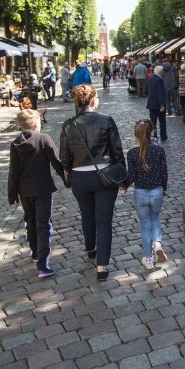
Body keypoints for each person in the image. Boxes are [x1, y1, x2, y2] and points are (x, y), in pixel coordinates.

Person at [60, 84, 127, 281]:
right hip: (104, 176)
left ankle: (90, 248)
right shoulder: (106, 121)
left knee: (87, 215)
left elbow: (64, 157)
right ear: (92, 100)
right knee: (104, 221)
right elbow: (117, 151)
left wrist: (69, 179)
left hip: (80, 177)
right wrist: (124, 178)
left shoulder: (68, 125)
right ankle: (102, 266)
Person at [8, 109, 64, 277]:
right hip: (43, 188)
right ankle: (42, 265)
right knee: (43, 223)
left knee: (30, 220)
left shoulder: (15, 144)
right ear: (35, 124)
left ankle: (35, 252)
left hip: (24, 190)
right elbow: (57, 162)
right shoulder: (43, 139)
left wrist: (12, 195)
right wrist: (69, 180)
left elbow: (13, 172)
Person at [125, 118, 168, 270]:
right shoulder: (159, 151)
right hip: (156, 191)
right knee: (155, 219)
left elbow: (132, 175)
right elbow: (164, 172)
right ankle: (157, 244)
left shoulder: (131, 153)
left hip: (141, 193)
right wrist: (165, 187)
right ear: (152, 133)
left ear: (136, 135)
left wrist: (124, 186)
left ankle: (148, 259)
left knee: (144, 225)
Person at [146, 65, 168, 141]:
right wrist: (162, 105)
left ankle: (154, 136)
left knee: (153, 122)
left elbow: (146, 91)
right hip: (158, 105)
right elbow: (160, 93)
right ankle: (163, 135)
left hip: (151, 104)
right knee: (162, 121)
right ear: (160, 72)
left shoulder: (150, 79)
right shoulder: (159, 80)